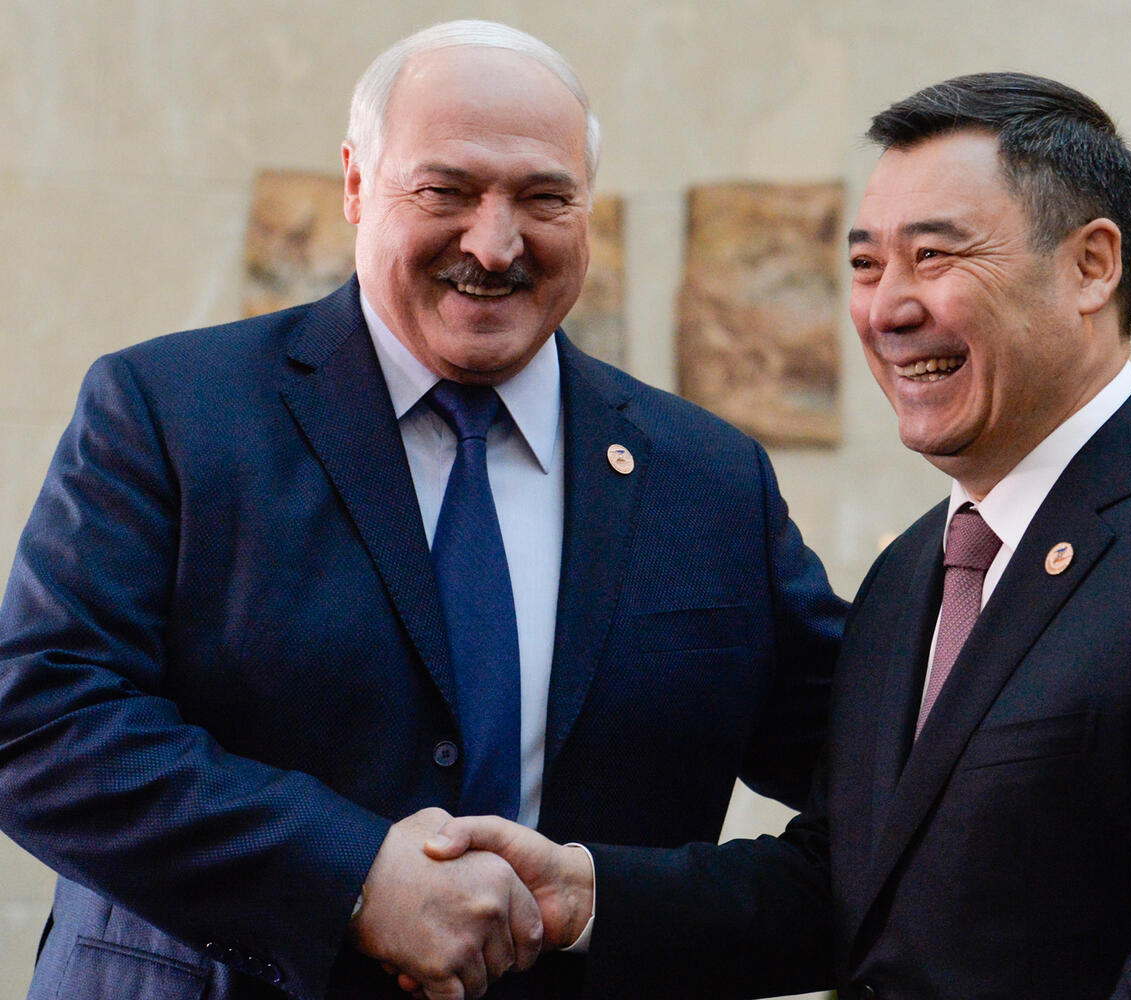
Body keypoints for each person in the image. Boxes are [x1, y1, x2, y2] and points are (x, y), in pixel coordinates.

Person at [427, 72, 1131, 999]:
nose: (888, 310)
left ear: (1091, 267)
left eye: (935, 256)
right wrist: (588, 897)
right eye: (865, 265)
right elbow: (857, 884)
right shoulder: (916, 571)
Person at [0, 20, 845, 1000]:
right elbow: (41, 723)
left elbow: (880, 775)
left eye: (544, 197)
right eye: (447, 191)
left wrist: (621, 903)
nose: (494, 243)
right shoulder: (170, 413)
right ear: (356, 185)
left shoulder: (709, 478)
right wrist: (352, 878)